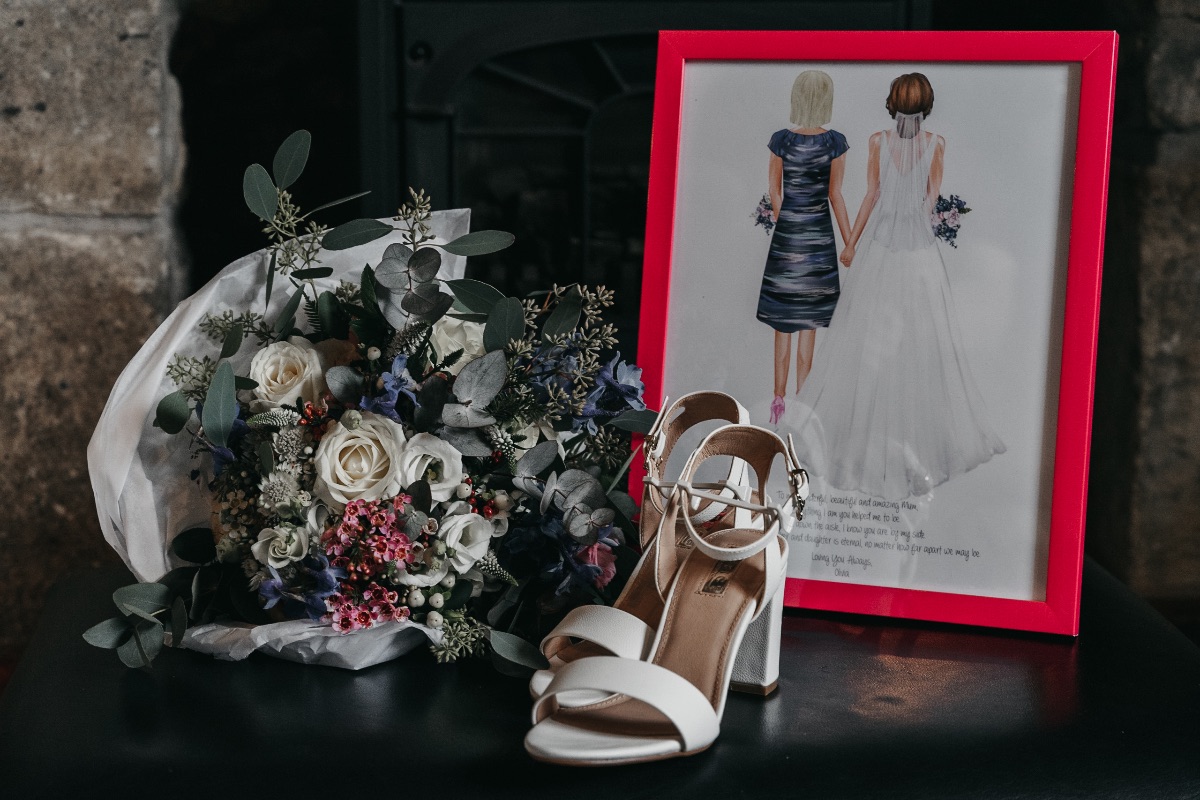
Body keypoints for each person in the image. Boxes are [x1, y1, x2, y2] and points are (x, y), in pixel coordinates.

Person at [791, 73, 1005, 500]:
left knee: (906, 340)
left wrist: (864, 238)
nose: (910, 119)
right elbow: (895, 196)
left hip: (900, 248)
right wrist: (852, 243)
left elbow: (901, 196)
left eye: (912, 111)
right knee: (884, 340)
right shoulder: (904, 143)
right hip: (900, 248)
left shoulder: (905, 143)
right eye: (912, 111)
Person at [756, 70, 851, 424]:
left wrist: (786, 224)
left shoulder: (781, 140)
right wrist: (849, 240)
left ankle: (778, 401)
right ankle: (802, 405)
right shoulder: (834, 142)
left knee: (782, 327)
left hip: (788, 236)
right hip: (819, 239)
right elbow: (835, 195)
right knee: (808, 328)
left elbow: (775, 190)